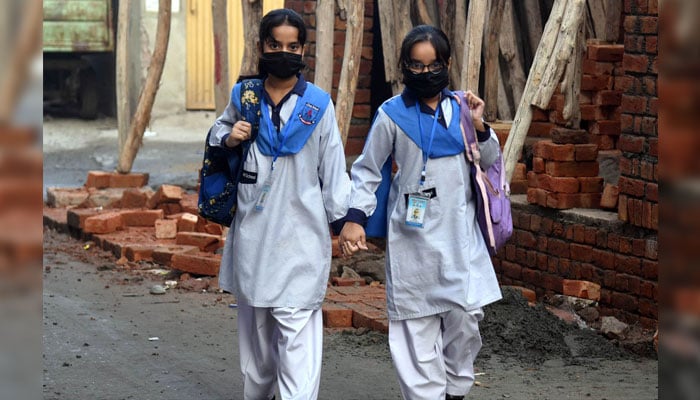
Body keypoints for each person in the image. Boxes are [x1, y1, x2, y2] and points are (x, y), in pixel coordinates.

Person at [339, 25, 503, 400]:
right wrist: (355, 219)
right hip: (414, 242)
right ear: (403, 67)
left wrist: (479, 125)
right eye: (415, 66)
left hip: (462, 238)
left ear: (446, 64)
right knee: (416, 328)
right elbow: (367, 170)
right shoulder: (390, 114)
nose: (425, 73)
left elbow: (491, 161)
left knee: (466, 321)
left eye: (433, 65)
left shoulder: (463, 109)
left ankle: (456, 389)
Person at [209, 9, 350, 400]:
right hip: (255, 233)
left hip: (302, 232)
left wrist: (347, 220)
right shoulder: (244, 96)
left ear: (303, 50)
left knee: (297, 324)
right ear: (262, 46)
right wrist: (230, 137)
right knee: (257, 331)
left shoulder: (319, 105)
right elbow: (217, 134)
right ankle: (260, 393)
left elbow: (334, 167)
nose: (283, 52)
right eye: (275, 45)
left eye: (292, 46)